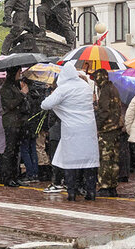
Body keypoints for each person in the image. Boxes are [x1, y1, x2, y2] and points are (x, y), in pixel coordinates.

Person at [41, 67, 99, 200]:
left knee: (70, 162)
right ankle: (91, 192)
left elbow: (45, 104)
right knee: (89, 161)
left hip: (72, 130)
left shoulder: (64, 88)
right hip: (89, 128)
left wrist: (59, 104)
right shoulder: (85, 87)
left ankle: (71, 192)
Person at [93, 68, 123, 197]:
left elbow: (104, 111)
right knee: (114, 158)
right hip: (115, 128)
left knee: (105, 158)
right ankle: (112, 186)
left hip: (107, 129)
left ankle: (105, 186)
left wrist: (97, 125)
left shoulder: (105, 90)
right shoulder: (113, 88)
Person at [0, 67, 28, 187]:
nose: (20, 74)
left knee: (16, 150)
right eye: (18, 72)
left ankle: (15, 175)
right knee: (10, 150)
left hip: (18, 121)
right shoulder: (5, 88)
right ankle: (7, 177)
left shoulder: (15, 86)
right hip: (11, 122)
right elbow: (10, 104)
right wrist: (22, 94)